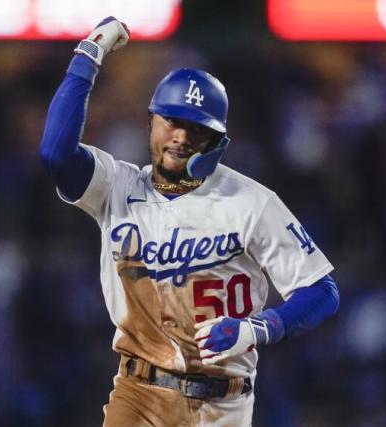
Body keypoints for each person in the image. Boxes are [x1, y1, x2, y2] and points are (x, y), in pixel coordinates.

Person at [39, 16, 340, 427]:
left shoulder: (251, 202)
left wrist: (260, 328)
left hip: (223, 404)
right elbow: (57, 154)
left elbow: (322, 290)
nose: (181, 136)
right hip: (139, 393)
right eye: (172, 121)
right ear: (151, 122)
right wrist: (88, 56)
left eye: (196, 129)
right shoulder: (117, 185)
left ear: (218, 141)